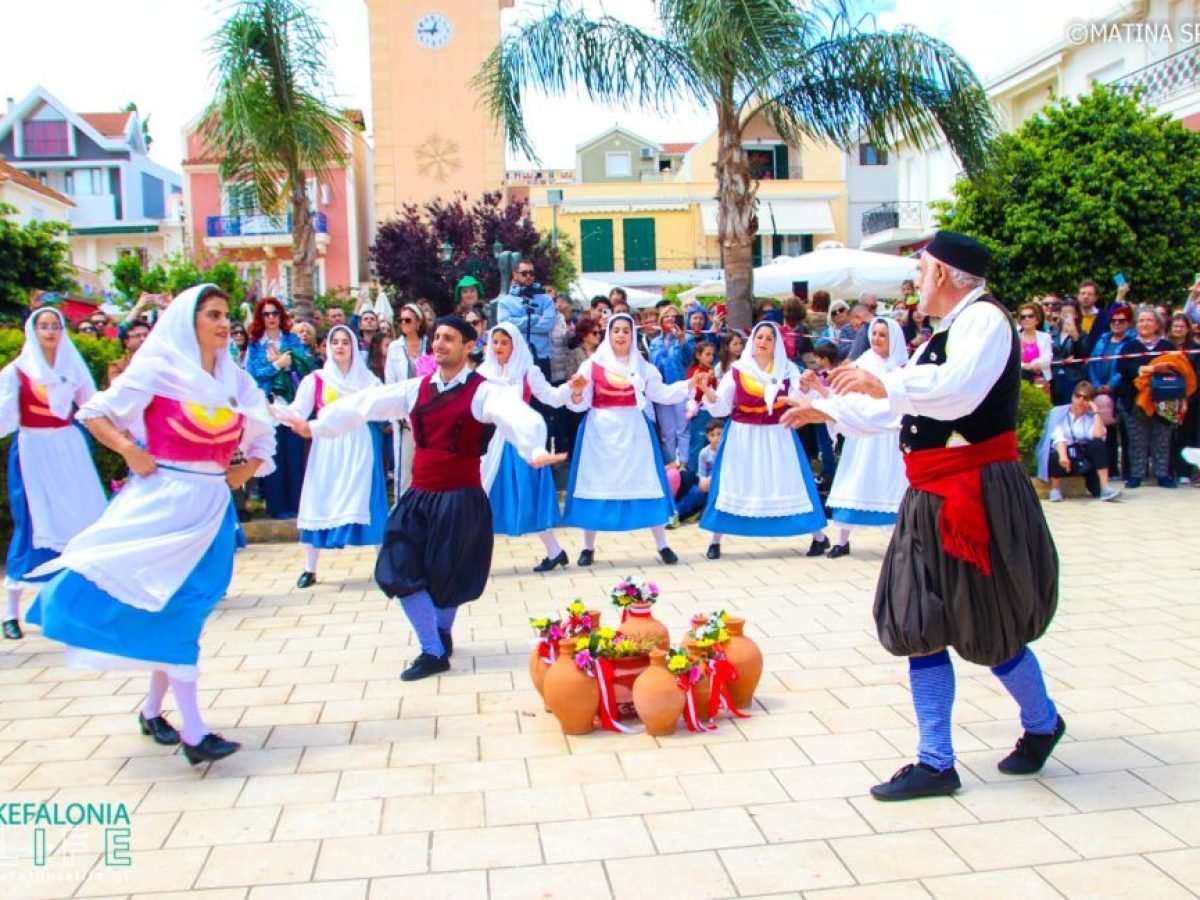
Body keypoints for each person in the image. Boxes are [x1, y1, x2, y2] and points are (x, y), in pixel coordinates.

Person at [786, 231, 1062, 801]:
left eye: (922, 268)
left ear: (944, 274)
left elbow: (955, 395)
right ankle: (936, 760)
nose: (916, 279)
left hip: (975, 494)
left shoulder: (984, 322)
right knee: (918, 619)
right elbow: (902, 413)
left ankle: (1042, 723)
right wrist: (828, 408)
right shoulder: (946, 332)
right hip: (932, 495)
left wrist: (881, 378)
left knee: (990, 623)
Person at [28, 285, 275, 765]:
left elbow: (262, 438)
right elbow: (95, 413)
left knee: (187, 606)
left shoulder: (237, 381)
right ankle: (195, 731)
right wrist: (129, 449)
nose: (224, 324)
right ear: (189, 321)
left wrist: (240, 473)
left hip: (210, 509)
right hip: (162, 502)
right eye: (213, 315)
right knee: (174, 606)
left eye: (227, 315)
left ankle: (151, 710)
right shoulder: (159, 370)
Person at [287, 316, 561, 681]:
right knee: (396, 569)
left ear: (468, 346)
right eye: (437, 338)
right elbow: (367, 403)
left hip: (461, 498)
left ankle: (441, 634)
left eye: (449, 338)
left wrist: (534, 447)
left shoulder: (484, 390)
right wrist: (320, 425)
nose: (440, 344)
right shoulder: (414, 389)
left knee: (450, 575)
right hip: (419, 496)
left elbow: (516, 414)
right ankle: (432, 649)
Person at [562, 313, 703, 566]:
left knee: (647, 482)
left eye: (626, 330)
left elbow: (662, 393)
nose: (621, 335)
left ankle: (662, 545)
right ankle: (587, 547)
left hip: (635, 432)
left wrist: (689, 383)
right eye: (616, 330)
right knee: (596, 483)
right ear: (609, 333)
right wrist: (576, 391)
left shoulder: (643, 367)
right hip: (600, 433)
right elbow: (577, 406)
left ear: (633, 334)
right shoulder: (592, 365)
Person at [0, 308, 107, 639]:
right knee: (34, 524)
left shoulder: (72, 367)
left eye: (55, 326)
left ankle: (84, 604)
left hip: (69, 449)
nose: (50, 332)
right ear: (33, 331)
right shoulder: (16, 372)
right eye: (43, 326)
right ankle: (10, 612)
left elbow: (93, 405)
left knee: (85, 520)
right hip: (34, 450)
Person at [696, 322, 828, 560]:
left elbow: (799, 397)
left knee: (789, 481)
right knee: (733, 483)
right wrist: (708, 392)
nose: (763, 342)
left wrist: (807, 388)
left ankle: (818, 536)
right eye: (759, 337)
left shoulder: (787, 370)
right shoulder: (738, 369)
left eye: (769, 338)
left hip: (778, 434)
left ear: (776, 343)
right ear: (753, 341)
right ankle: (716, 539)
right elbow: (722, 405)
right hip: (742, 435)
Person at [279, 325, 386, 589]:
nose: (340, 346)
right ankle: (309, 568)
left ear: (353, 347)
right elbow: (298, 411)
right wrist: (276, 409)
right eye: (335, 342)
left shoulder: (367, 380)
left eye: (345, 342)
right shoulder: (316, 379)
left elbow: (382, 407)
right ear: (328, 346)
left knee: (367, 500)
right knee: (320, 498)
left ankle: (384, 566)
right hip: (327, 447)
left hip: (360, 445)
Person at [478, 323, 572, 571]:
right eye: (495, 342)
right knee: (481, 498)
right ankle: (475, 557)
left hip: (521, 442)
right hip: (491, 443)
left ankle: (554, 550)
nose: (498, 347)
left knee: (529, 497)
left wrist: (571, 389)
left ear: (515, 345)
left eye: (504, 342)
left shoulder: (528, 372)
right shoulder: (483, 373)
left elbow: (550, 397)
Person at [815, 318, 910, 557]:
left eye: (882, 335)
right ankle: (842, 539)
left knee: (891, 482)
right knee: (855, 478)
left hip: (889, 435)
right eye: (874, 334)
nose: (876, 339)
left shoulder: (904, 368)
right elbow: (842, 395)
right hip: (863, 434)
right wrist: (819, 390)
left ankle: (898, 540)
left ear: (894, 339)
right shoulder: (862, 363)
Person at [246, 297, 313, 518]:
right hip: (267, 405)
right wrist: (277, 364)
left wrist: (287, 361)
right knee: (274, 455)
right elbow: (254, 373)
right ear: (260, 318)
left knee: (294, 455)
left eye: (275, 313)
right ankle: (277, 507)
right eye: (266, 314)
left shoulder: (292, 339)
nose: (271, 318)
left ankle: (297, 505)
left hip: (291, 404)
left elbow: (303, 364)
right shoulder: (255, 344)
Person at [1116, 306, 1176, 488]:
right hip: (1134, 399)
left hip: (1164, 399)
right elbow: (1122, 367)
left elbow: (1177, 366)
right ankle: (1136, 474)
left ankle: (1162, 474)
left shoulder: (1167, 346)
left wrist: (1155, 369)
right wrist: (1142, 370)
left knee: (1162, 438)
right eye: (1141, 320)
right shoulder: (1129, 345)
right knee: (1137, 439)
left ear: (1157, 324)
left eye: (1149, 320)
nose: (1145, 324)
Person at [1036, 380, 1121, 502]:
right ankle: (1056, 489)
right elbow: (1058, 436)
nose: (1080, 400)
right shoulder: (1058, 413)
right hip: (1065, 454)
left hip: (1083, 457)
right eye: (1078, 396)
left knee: (1098, 444)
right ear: (1072, 396)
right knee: (1055, 454)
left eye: (1085, 398)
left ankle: (1105, 488)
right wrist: (1063, 456)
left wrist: (1096, 411)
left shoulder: (1091, 417)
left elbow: (1098, 435)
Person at [649, 306, 692, 465]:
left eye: (674, 317)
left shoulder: (687, 338)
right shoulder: (654, 342)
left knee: (683, 430)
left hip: (680, 388)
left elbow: (688, 359)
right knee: (668, 432)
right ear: (661, 319)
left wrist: (681, 340)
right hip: (661, 391)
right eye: (667, 316)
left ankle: (684, 465)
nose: (670, 319)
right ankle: (671, 464)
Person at [498, 262, 556, 377]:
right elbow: (505, 325)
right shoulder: (505, 302)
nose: (528, 276)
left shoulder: (546, 300)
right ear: (515, 275)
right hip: (516, 357)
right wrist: (533, 318)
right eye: (524, 273)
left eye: (531, 273)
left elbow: (549, 324)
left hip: (541, 357)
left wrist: (517, 324)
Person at [1050, 303, 1087, 404]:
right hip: (1054, 377)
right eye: (1064, 313)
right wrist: (1062, 361)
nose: (1067, 316)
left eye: (1070, 313)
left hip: (1073, 377)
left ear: (1076, 315)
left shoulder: (1082, 335)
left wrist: (1076, 339)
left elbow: (1082, 356)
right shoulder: (1052, 334)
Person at [1017, 301, 1052, 389]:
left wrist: (1033, 364)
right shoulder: (1016, 338)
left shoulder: (1045, 337)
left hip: (1041, 378)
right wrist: (1025, 366)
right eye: (1023, 317)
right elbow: (1013, 359)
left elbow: (1047, 358)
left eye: (1030, 316)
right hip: (1021, 379)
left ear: (1037, 320)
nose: (1027, 319)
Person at [108, 317, 152, 384]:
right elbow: (119, 386)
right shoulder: (117, 366)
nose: (143, 339)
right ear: (127, 342)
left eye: (146, 335)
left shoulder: (162, 363)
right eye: (138, 336)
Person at [1076, 280, 1111, 354]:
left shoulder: (1104, 317)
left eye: (1090, 294)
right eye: (1083, 293)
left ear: (1096, 297)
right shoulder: (1073, 316)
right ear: (1078, 296)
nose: (1086, 296)